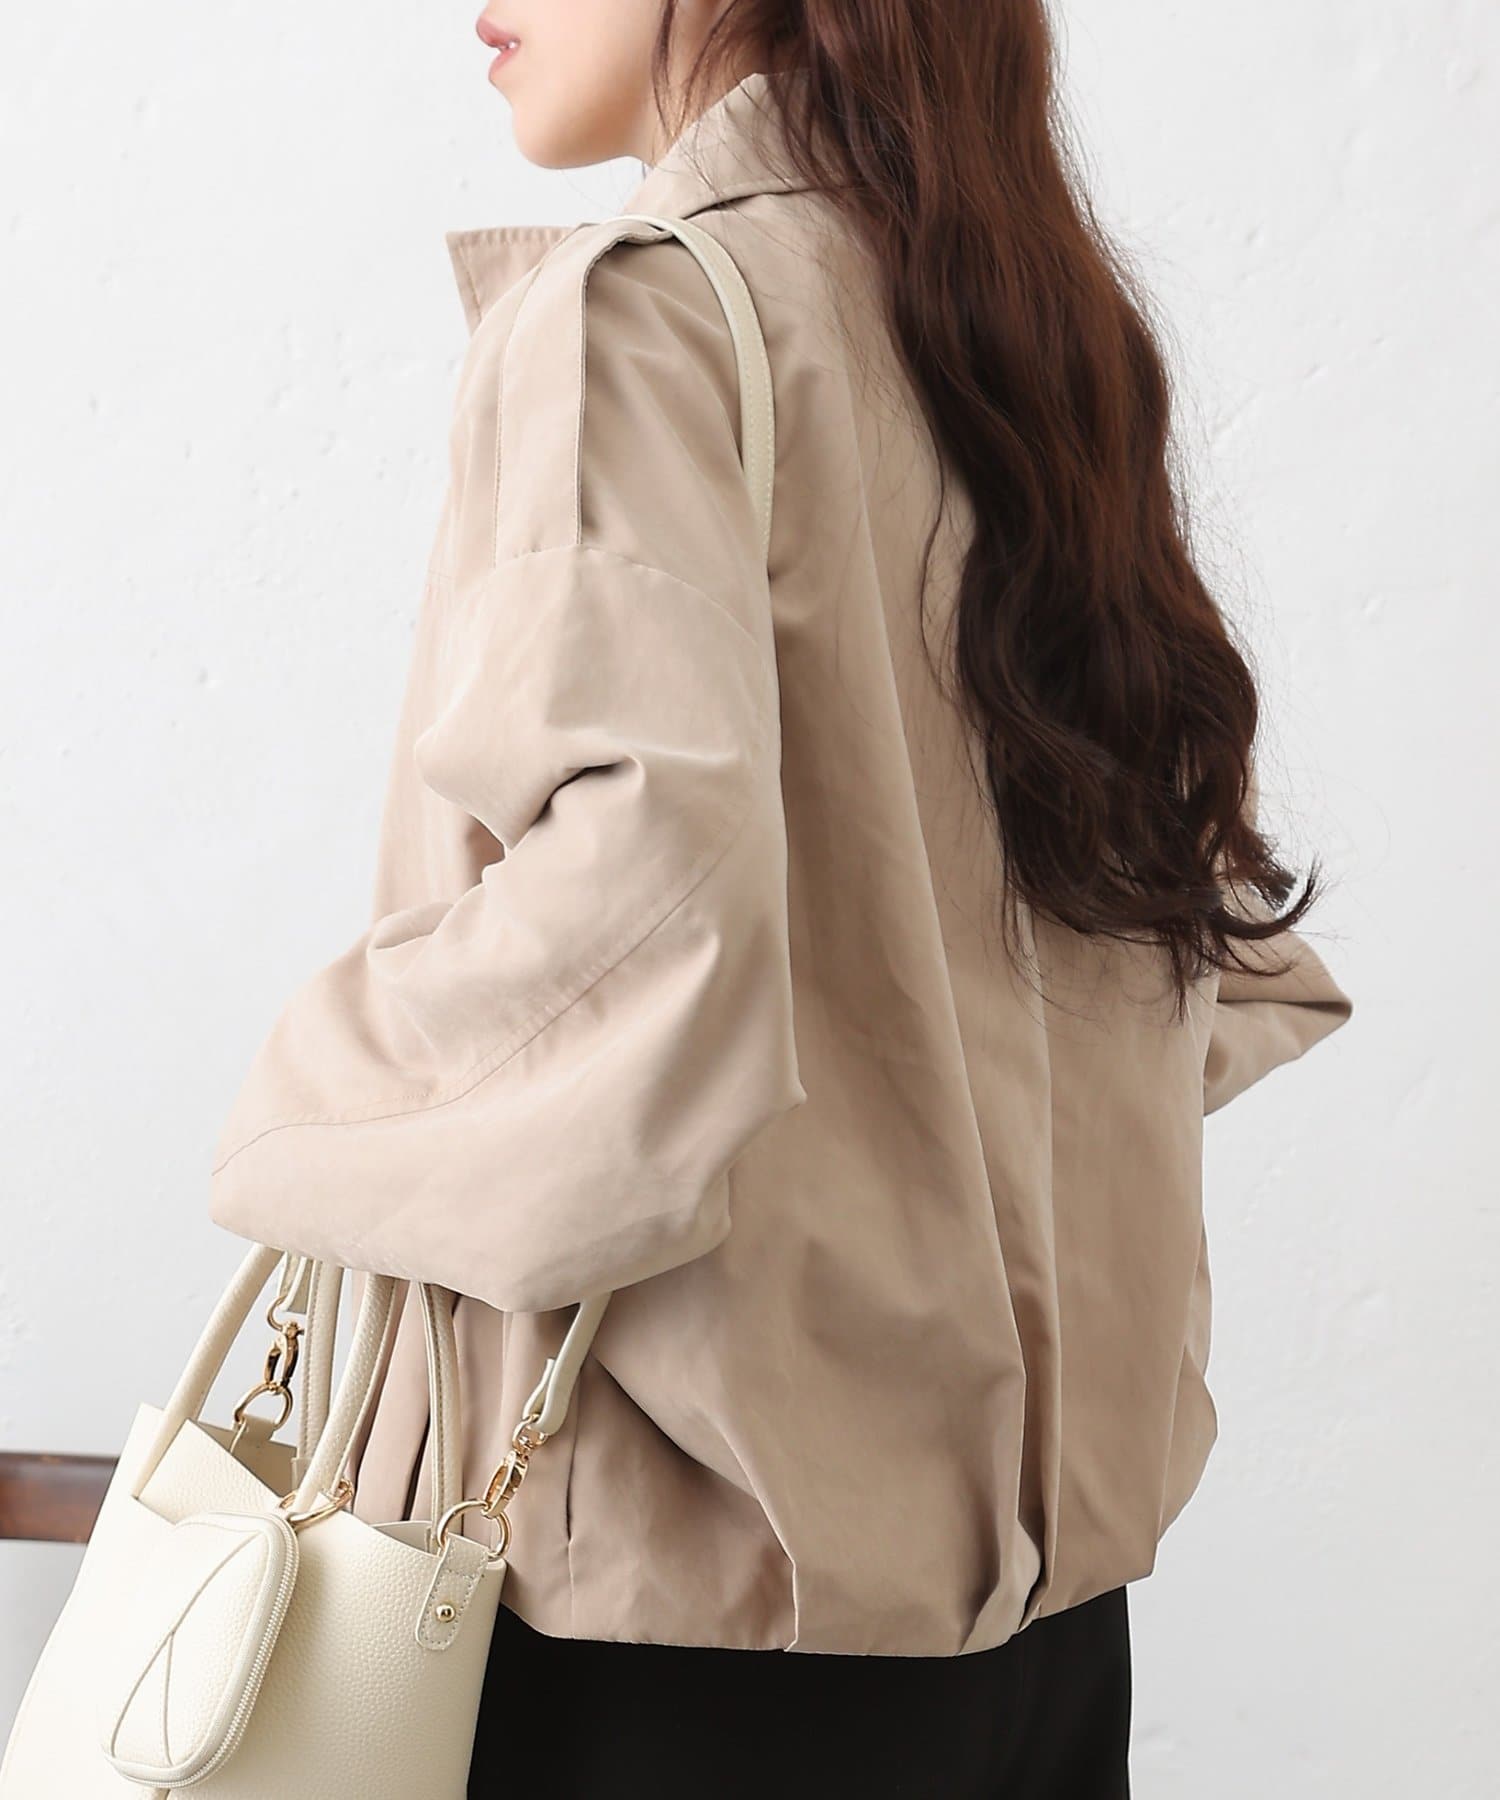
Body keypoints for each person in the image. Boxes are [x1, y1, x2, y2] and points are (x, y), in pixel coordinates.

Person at [207, 4, 1353, 1794]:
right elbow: (1186, 919)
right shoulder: (1027, 335)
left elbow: (639, 932)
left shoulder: (646, 315)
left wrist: (298, 1106)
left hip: (698, 1618)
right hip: (1044, 1633)